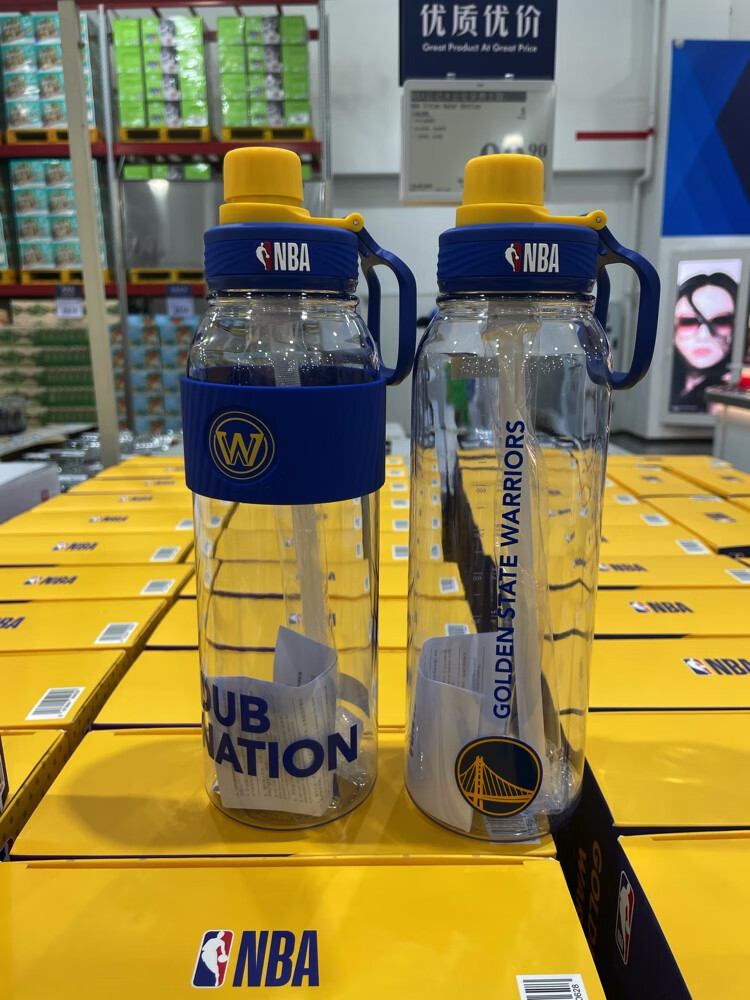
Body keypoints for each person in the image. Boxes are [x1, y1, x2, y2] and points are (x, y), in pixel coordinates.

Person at [670, 272, 736, 412]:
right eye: (688, 321)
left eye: (721, 321)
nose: (704, 336)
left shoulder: (727, 395)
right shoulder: (664, 384)